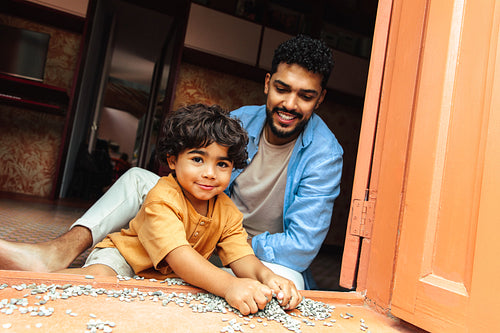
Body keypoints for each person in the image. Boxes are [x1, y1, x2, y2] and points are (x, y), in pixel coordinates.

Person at [0, 34, 343, 290]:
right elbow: (192, 179)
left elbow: (299, 250)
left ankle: (182, 280)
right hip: (197, 222)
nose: (290, 103)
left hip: (240, 245)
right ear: (267, 84)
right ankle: (56, 254)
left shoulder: (325, 155)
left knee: (289, 282)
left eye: (306, 95)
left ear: (320, 98)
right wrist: (209, 234)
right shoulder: (238, 121)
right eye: (283, 89)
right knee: (137, 178)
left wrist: (230, 242)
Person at [56, 104, 301, 315]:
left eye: (222, 164)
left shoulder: (227, 211)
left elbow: (241, 256)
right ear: (173, 160)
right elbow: (180, 256)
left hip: (168, 277)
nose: (209, 173)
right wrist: (228, 286)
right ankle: (34, 283)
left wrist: (268, 277)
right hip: (125, 259)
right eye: (197, 159)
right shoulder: (162, 196)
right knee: (98, 280)